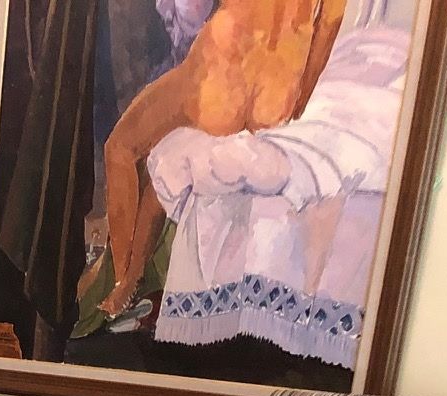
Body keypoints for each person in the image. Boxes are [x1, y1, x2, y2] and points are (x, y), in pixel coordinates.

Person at [93, 0, 349, 320]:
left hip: (220, 70)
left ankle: (123, 283)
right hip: (277, 92)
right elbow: (327, 31)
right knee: (164, 161)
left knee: (119, 148)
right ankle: (134, 277)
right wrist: (296, 106)